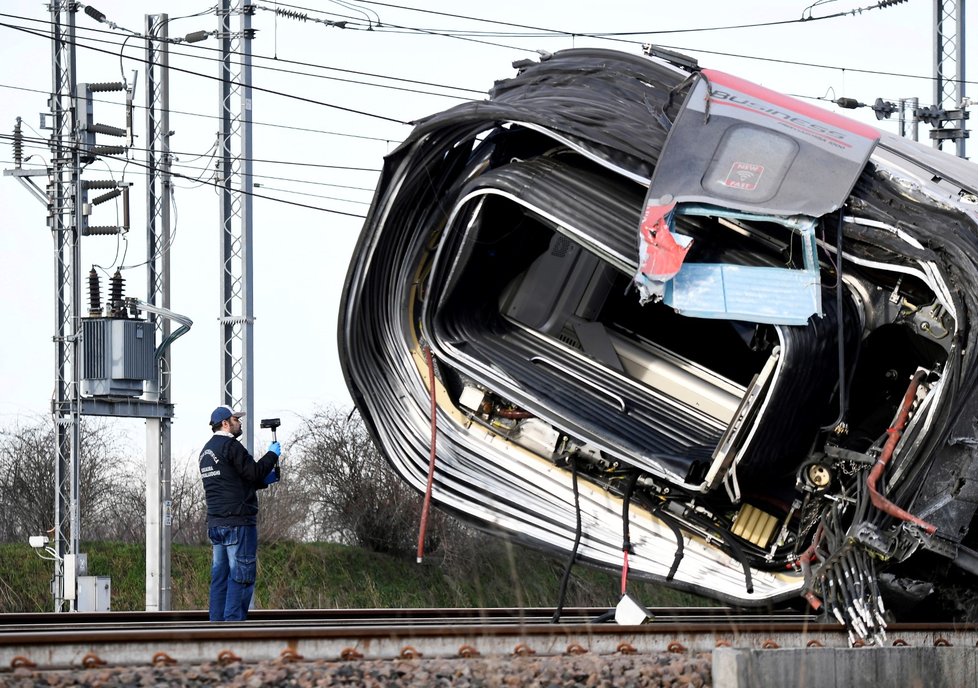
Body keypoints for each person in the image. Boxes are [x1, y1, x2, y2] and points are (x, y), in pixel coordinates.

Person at [199, 404, 281, 622]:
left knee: (220, 578)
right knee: (241, 576)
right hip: (238, 523)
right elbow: (253, 472)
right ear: (225, 423)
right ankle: (233, 629)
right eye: (236, 419)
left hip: (216, 524)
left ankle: (216, 628)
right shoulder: (231, 446)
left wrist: (264, 482)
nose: (240, 422)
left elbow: (234, 484)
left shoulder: (205, 452)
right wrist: (272, 455)